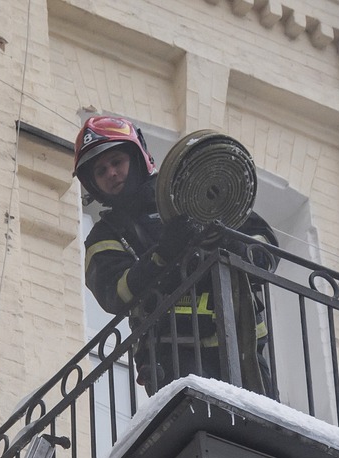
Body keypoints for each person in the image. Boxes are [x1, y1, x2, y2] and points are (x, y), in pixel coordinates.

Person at [74, 113, 271, 395]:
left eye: (116, 162)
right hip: (172, 354)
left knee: (263, 434)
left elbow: (264, 250)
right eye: (101, 172)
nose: (111, 174)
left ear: (137, 155)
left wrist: (229, 242)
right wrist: (162, 255)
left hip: (242, 345)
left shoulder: (187, 191)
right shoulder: (104, 235)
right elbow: (114, 294)